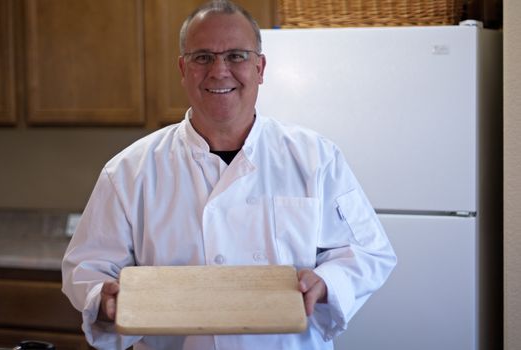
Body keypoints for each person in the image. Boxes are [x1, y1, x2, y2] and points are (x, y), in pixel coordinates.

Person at [62, 1, 397, 349]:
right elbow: (85, 268)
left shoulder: (316, 157)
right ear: (183, 68)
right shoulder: (130, 171)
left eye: (236, 55)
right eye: (203, 57)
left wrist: (326, 281)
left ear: (260, 67)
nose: (219, 71)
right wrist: (104, 297)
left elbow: (369, 252)